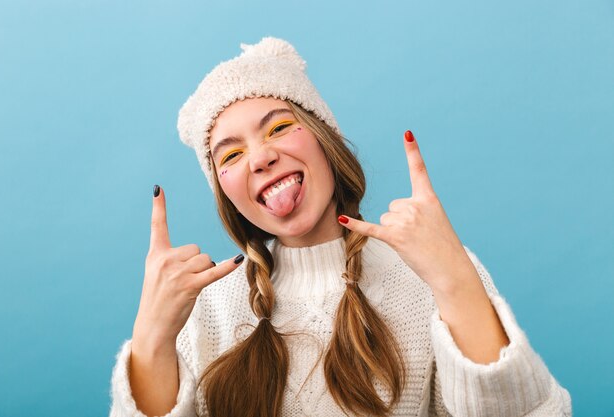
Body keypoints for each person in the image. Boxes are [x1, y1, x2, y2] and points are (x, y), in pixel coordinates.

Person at [109, 37, 571, 417]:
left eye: (278, 128)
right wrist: (151, 336)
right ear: (226, 194)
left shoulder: (432, 272)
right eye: (230, 155)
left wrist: (455, 278)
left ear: (324, 139)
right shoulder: (206, 308)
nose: (261, 158)